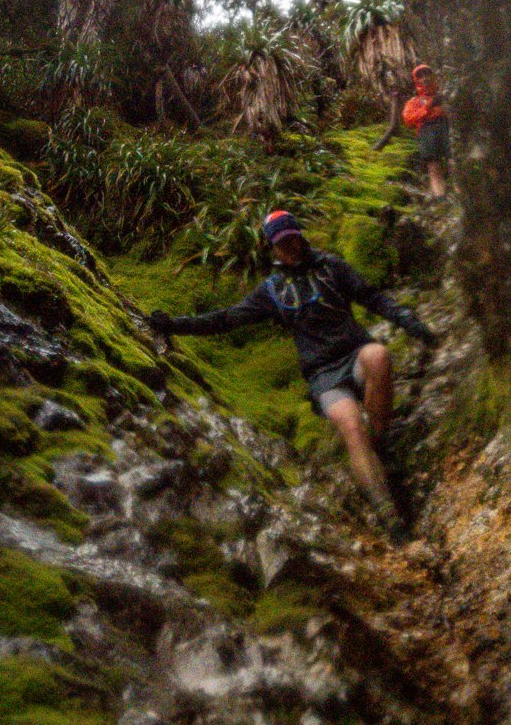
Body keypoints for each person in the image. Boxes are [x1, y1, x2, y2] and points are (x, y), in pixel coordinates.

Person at [148, 209, 437, 536]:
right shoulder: (272, 290)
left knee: (380, 355)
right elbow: (227, 318)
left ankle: (381, 445)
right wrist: (175, 325)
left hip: (355, 353)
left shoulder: (332, 267)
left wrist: (408, 322)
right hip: (323, 375)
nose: (289, 248)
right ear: (273, 248)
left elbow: (371, 297)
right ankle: (390, 518)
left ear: (300, 236)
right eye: (281, 243)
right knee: (352, 427)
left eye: (291, 239)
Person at [402, 63, 450, 199]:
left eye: (427, 74)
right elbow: (408, 120)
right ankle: (440, 196)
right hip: (426, 132)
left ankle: (458, 193)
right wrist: (428, 107)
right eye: (420, 76)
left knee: (453, 161)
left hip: (445, 128)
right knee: (434, 166)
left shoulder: (444, 95)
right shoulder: (414, 101)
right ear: (416, 80)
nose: (425, 79)